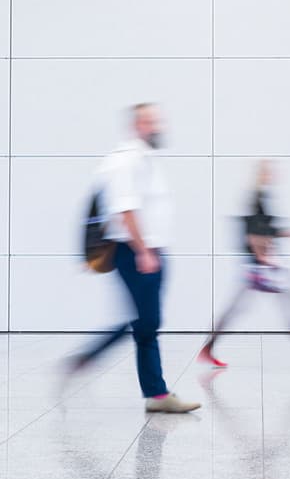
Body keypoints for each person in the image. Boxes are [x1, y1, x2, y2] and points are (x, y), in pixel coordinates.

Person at [68, 104, 199, 414]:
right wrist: (143, 251)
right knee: (146, 323)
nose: (157, 126)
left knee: (145, 322)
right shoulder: (127, 161)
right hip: (137, 251)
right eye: (150, 121)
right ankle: (154, 392)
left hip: (147, 250)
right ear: (137, 125)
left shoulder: (142, 159)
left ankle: (149, 390)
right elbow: (125, 210)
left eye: (158, 121)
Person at [198, 159, 290, 368]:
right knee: (289, 306)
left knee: (241, 308)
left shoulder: (261, 197)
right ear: (261, 175)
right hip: (261, 266)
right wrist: (262, 257)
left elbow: (269, 230)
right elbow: (252, 232)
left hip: (261, 264)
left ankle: (208, 347)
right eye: (269, 172)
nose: (273, 175)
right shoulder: (256, 198)